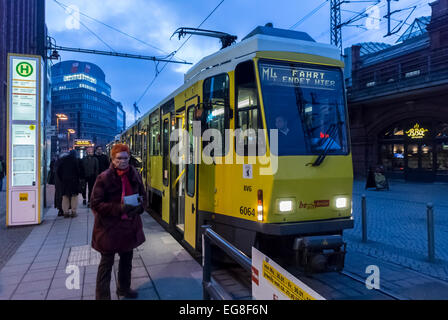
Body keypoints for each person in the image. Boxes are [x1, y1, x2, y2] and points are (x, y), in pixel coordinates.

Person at [90, 144, 146, 300]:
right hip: (109, 229)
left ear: (129, 158)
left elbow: (143, 195)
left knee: (126, 261)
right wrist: (120, 208)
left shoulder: (134, 174)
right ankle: (102, 297)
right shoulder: (104, 177)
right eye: (119, 158)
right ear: (112, 159)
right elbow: (95, 204)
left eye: (125, 158)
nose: (122, 161)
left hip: (129, 227)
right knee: (106, 265)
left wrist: (140, 208)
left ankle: (124, 289)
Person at [57, 150, 81, 218]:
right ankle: (73, 212)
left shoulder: (63, 160)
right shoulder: (75, 160)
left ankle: (66, 212)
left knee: (65, 197)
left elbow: (59, 171)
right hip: (74, 181)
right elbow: (78, 171)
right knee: (74, 197)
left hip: (65, 182)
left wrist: (62, 179)